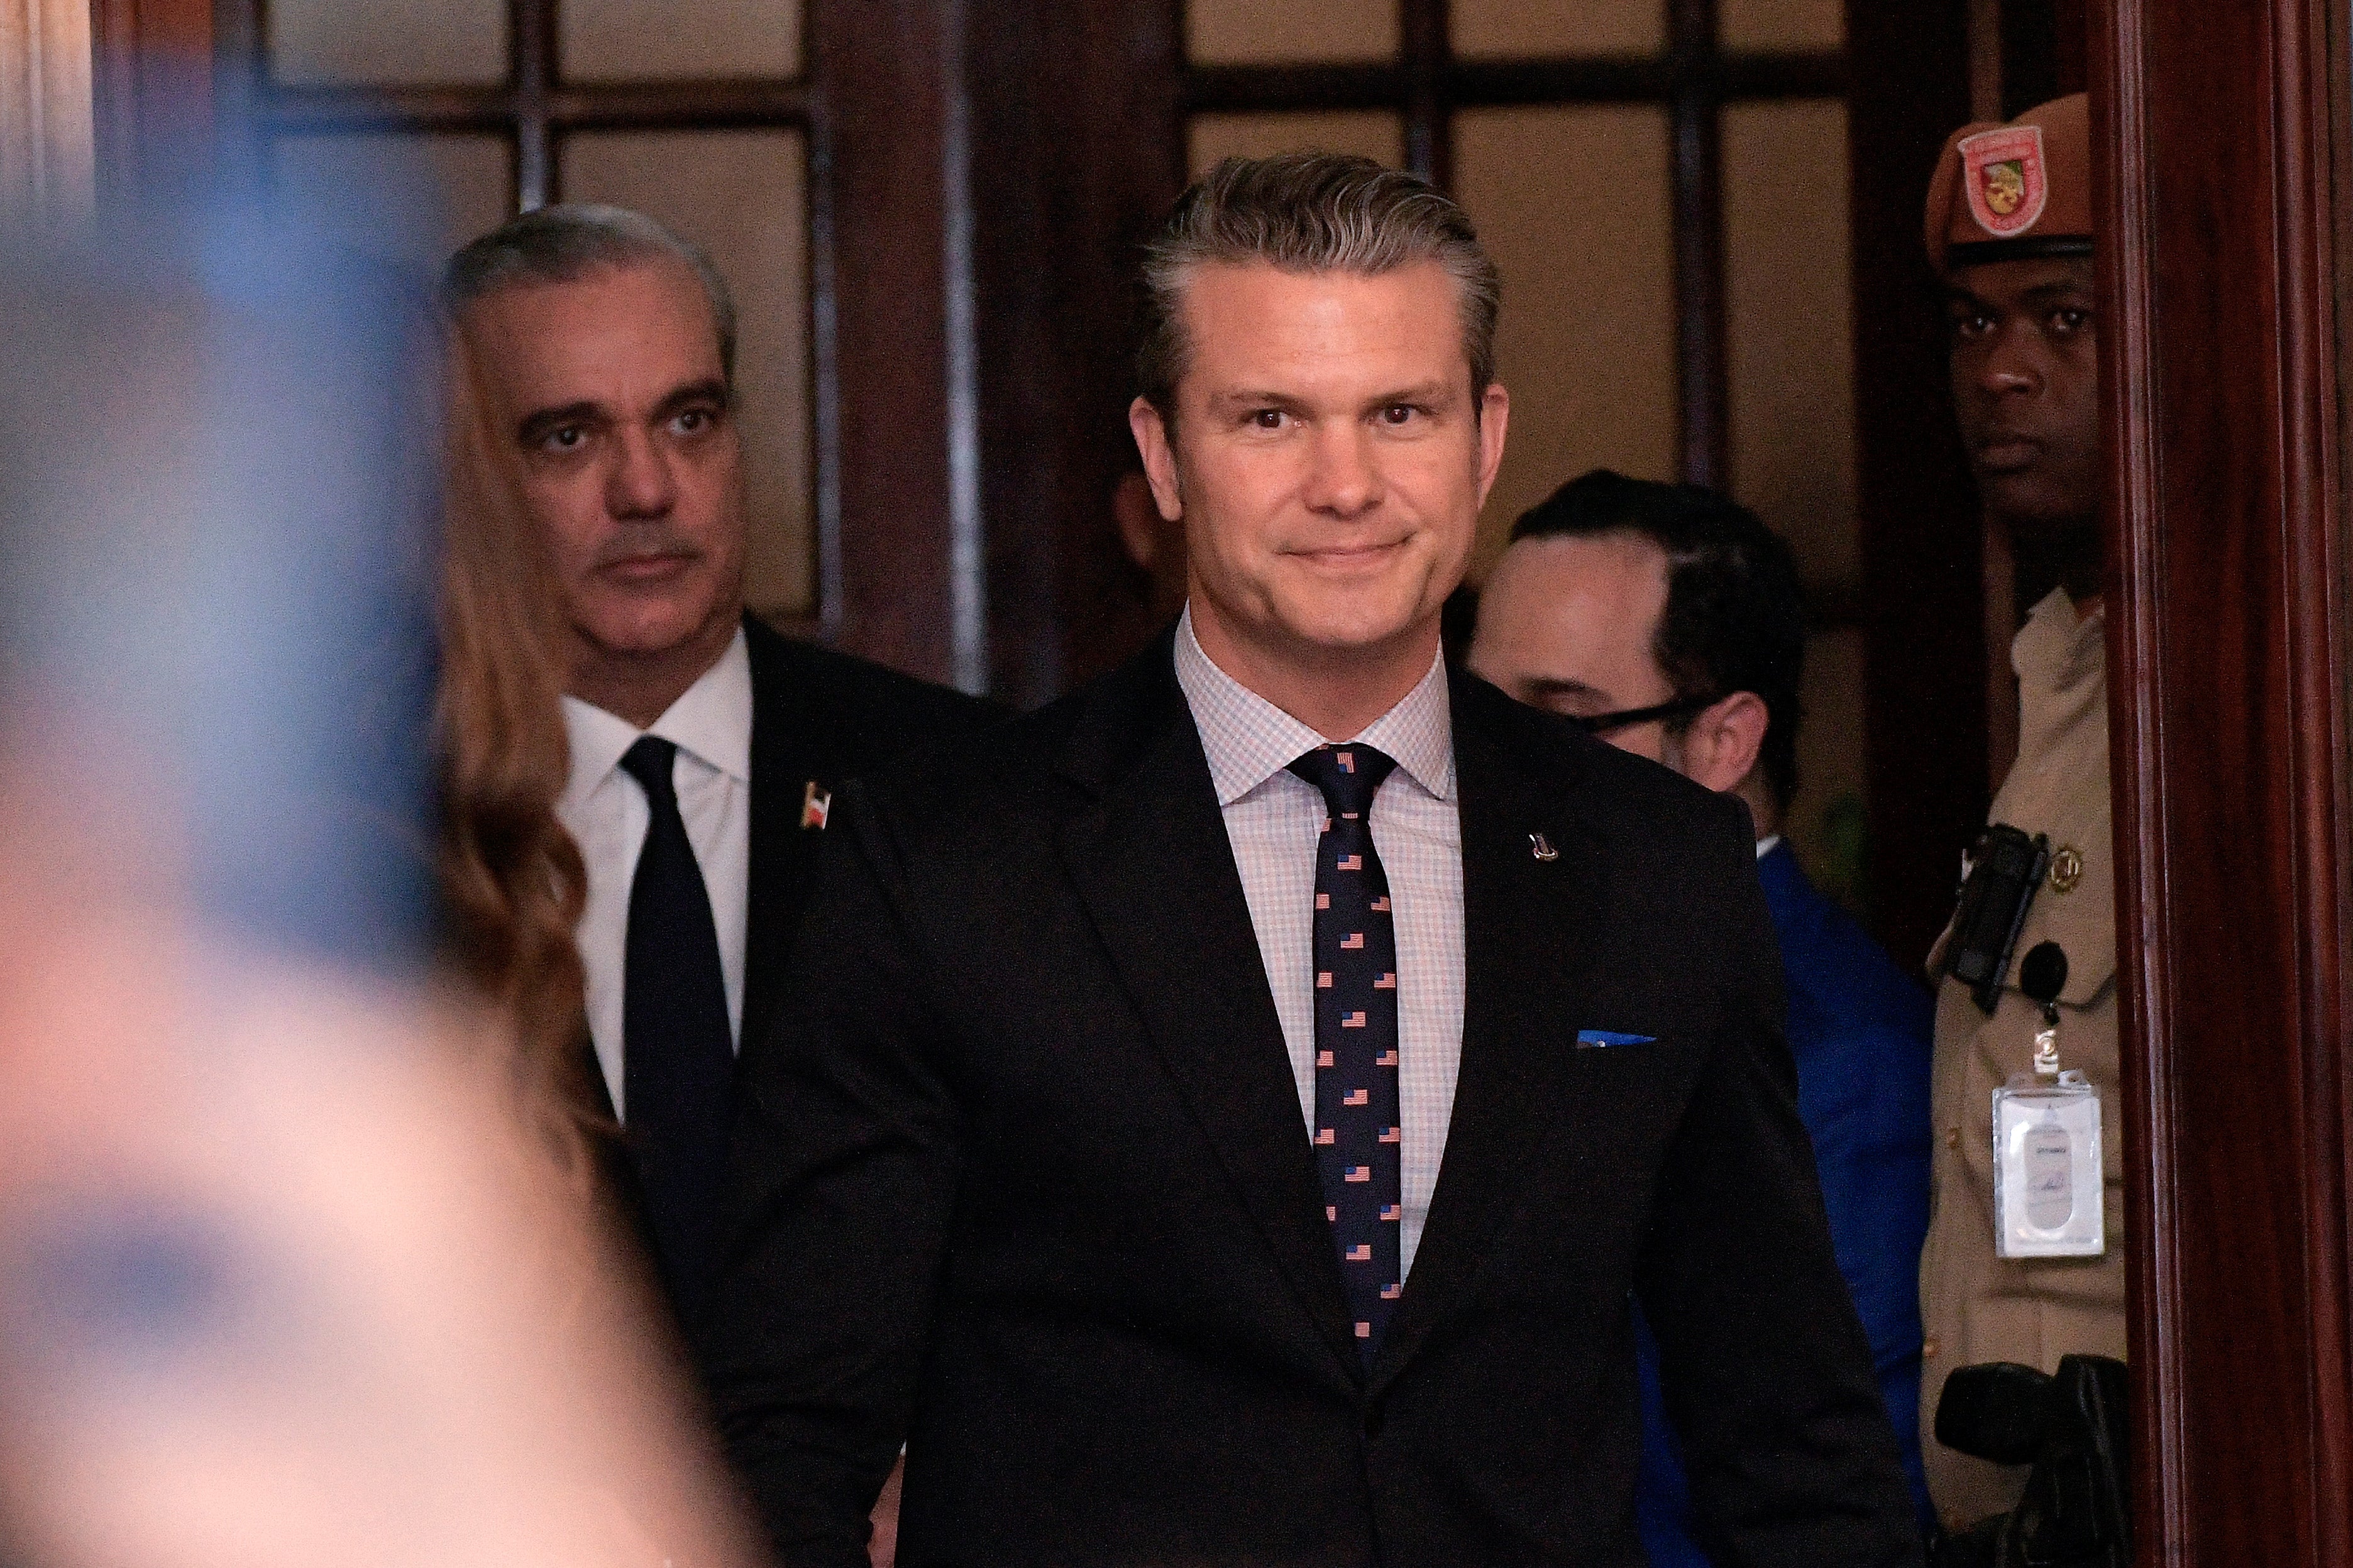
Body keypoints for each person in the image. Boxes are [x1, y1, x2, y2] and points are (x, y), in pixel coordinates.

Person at [710, 151, 1921, 1566]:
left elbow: (1792, 1440)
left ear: (1483, 440)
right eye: (1271, 417)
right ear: (1164, 457)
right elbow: (787, 1436)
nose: (1346, 486)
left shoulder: (1656, 866)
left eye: (1400, 413)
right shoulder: (946, 863)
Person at [443, 205, 1000, 1352]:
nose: (646, 489)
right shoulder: (375, 841)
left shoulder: (964, 791)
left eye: (689, 421)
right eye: (567, 438)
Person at [1467, 469, 1937, 1554]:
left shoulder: (1843, 1057)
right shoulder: (1524, 957)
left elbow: (1830, 1498)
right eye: (1472, 720)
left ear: (1724, 742)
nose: (1492, 775)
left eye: (1562, 722)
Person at [1915, 92, 2122, 1531]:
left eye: (2064, 318)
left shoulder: (2252, 701)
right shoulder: (2064, 675)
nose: (2005, 373)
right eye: (1975, 326)